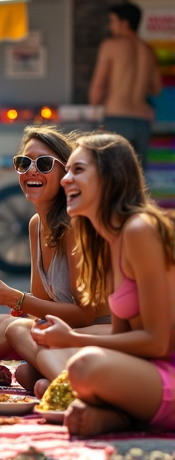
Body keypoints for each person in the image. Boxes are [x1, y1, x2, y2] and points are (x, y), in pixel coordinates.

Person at [30, 131, 175, 437]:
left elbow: (157, 342)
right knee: (34, 374)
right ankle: (114, 413)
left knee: (82, 368)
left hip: (166, 372)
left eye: (77, 170)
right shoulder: (108, 240)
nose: (66, 179)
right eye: (67, 170)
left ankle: (116, 414)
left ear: (110, 176)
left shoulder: (139, 229)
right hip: (148, 369)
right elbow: (122, 337)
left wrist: (72, 340)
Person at [0, 125, 110, 392]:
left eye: (44, 164)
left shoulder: (75, 225)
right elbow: (41, 305)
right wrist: (13, 301)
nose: (32, 171)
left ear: (66, 173)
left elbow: (84, 315)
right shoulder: (36, 224)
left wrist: (13, 298)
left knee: (16, 332)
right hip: (70, 333)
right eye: (23, 163)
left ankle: (71, 389)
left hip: (103, 331)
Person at [88, 2, 162, 170]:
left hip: (116, 117)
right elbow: (156, 88)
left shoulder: (111, 45)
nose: (110, 26)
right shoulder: (148, 50)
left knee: (113, 174)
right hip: (141, 122)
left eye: (112, 21)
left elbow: (97, 87)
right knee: (137, 176)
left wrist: (95, 105)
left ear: (125, 23)